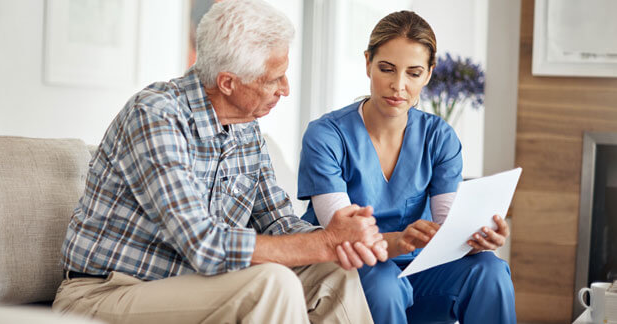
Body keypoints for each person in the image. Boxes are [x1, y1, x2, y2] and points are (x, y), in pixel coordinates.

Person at [52, 1, 388, 323]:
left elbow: (278, 223)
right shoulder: (155, 116)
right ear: (228, 82)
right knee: (271, 284)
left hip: (194, 284)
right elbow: (203, 244)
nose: (285, 89)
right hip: (107, 291)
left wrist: (340, 240)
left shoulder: (246, 127)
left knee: (334, 271)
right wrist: (322, 243)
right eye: (273, 79)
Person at [297, 10, 516, 324]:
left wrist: (478, 238)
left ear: (428, 74)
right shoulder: (327, 135)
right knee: (384, 284)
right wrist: (398, 240)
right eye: (387, 68)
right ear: (368, 63)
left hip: (419, 271)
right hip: (354, 269)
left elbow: (448, 227)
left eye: (413, 73)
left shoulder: (439, 138)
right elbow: (340, 234)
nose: (398, 85)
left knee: (489, 270)